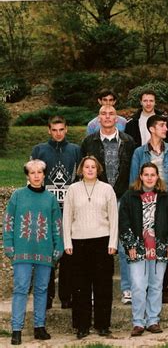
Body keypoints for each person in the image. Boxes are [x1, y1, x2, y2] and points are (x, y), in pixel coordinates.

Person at [3, 159, 64, 345]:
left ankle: (39, 327)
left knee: (42, 289)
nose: (36, 176)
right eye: (32, 172)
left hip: (44, 251)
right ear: (27, 176)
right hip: (22, 251)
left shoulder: (50, 198)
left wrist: (58, 247)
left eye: (40, 172)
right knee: (21, 289)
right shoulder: (18, 196)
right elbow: (8, 222)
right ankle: (16, 329)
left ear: (44, 175)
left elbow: (57, 225)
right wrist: (9, 245)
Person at [81, 105, 136, 306]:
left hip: (122, 197)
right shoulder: (89, 142)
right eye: (103, 114)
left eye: (111, 114)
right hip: (97, 197)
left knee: (123, 245)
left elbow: (133, 170)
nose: (107, 117)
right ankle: (95, 289)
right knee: (97, 244)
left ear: (117, 118)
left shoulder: (128, 142)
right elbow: (83, 171)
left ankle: (127, 288)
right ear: (98, 118)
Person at [119, 162, 168, 336]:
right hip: (137, 247)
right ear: (140, 176)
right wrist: (129, 245)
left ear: (157, 177)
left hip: (159, 247)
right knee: (138, 285)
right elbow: (124, 222)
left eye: (153, 175)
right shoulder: (129, 197)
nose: (150, 178)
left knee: (156, 285)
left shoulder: (166, 197)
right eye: (146, 174)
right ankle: (138, 322)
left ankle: (153, 320)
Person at [129, 114, 168, 304]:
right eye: (162, 125)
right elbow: (133, 181)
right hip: (145, 203)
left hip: (167, 203)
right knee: (146, 244)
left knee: (166, 245)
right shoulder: (139, 152)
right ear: (152, 128)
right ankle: (144, 287)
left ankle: (163, 287)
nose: (166, 129)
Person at [63, 156, 118, 339]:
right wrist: (67, 242)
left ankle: (103, 325)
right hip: (78, 242)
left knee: (103, 286)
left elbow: (113, 218)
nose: (90, 169)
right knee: (81, 287)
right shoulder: (73, 189)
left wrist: (113, 243)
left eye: (93, 167)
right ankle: (82, 325)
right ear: (81, 169)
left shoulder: (107, 189)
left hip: (102, 242)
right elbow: (67, 217)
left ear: (98, 169)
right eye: (86, 167)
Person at [31, 115, 81, 309]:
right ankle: (47, 295)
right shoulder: (40, 150)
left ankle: (66, 295)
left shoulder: (75, 150)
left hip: (69, 210)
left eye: (61, 129)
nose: (58, 133)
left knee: (69, 255)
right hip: (47, 210)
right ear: (49, 130)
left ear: (66, 129)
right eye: (54, 130)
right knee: (47, 257)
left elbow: (80, 177)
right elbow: (33, 178)